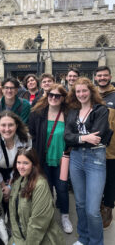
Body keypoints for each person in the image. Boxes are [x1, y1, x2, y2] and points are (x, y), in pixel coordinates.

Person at [65, 77, 112, 245]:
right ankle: (83, 238)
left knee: (92, 210)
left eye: (84, 90)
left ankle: (96, 242)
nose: (81, 94)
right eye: (78, 91)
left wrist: (76, 138)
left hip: (95, 159)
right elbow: (67, 137)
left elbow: (97, 137)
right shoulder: (72, 112)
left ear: (91, 91)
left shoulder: (100, 110)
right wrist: (85, 137)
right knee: (80, 204)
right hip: (76, 158)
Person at [29, 84, 73, 233]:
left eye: (57, 96)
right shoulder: (38, 113)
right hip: (43, 158)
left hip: (62, 159)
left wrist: (68, 152)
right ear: (47, 96)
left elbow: (72, 135)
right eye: (51, 95)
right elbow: (32, 134)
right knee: (45, 189)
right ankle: (47, 217)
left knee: (61, 188)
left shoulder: (69, 114)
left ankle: (64, 216)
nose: (53, 98)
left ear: (63, 98)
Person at [9, 148, 64, 245]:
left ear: (33, 165)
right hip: (20, 237)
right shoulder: (18, 181)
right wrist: (18, 240)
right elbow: (13, 215)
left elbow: (38, 224)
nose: (21, 167)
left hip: (39, 239)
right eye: (18, 162)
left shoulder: (40, 185)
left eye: (25, 163)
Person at [0, 110, 32, 207]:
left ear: (16, 126)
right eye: (3, 125)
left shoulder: (26, 138)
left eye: (10, 125)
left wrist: (10, 186)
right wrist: (3, 186)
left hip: (19, 172)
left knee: (18, 202)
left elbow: (25, 163)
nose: (7, 129)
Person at [95, 65, 115, 228]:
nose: (102, 78)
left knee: (110, 179)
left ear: (109, 77)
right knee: (96, 178)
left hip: (111, 148)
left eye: (105, 75)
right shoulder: (93, 95)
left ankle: (108, 208)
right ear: (96, 77)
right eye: (99, 76)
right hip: (94, 146)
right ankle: (99, 205)